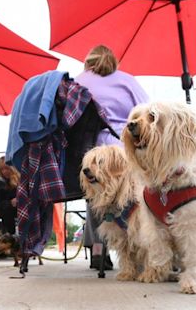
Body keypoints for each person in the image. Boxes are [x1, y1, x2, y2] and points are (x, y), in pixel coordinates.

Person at [75, 45, 149, 270]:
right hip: (126, 148)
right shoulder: (128, 80)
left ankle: (98, 252)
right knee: (138, 199)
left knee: (97, 197)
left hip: (93, 150)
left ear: (88, 63)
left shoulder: (79, 80)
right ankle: (143, 245)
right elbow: (147, 110)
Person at [0, 156, 18, 235]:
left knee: (6, 207)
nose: (4, 172)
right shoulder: (1, 184)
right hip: (7, 211)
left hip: (20, 209)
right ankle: (9, 234)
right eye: (2, 169)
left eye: (6, 168)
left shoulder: (20, 180)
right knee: (4, 207)